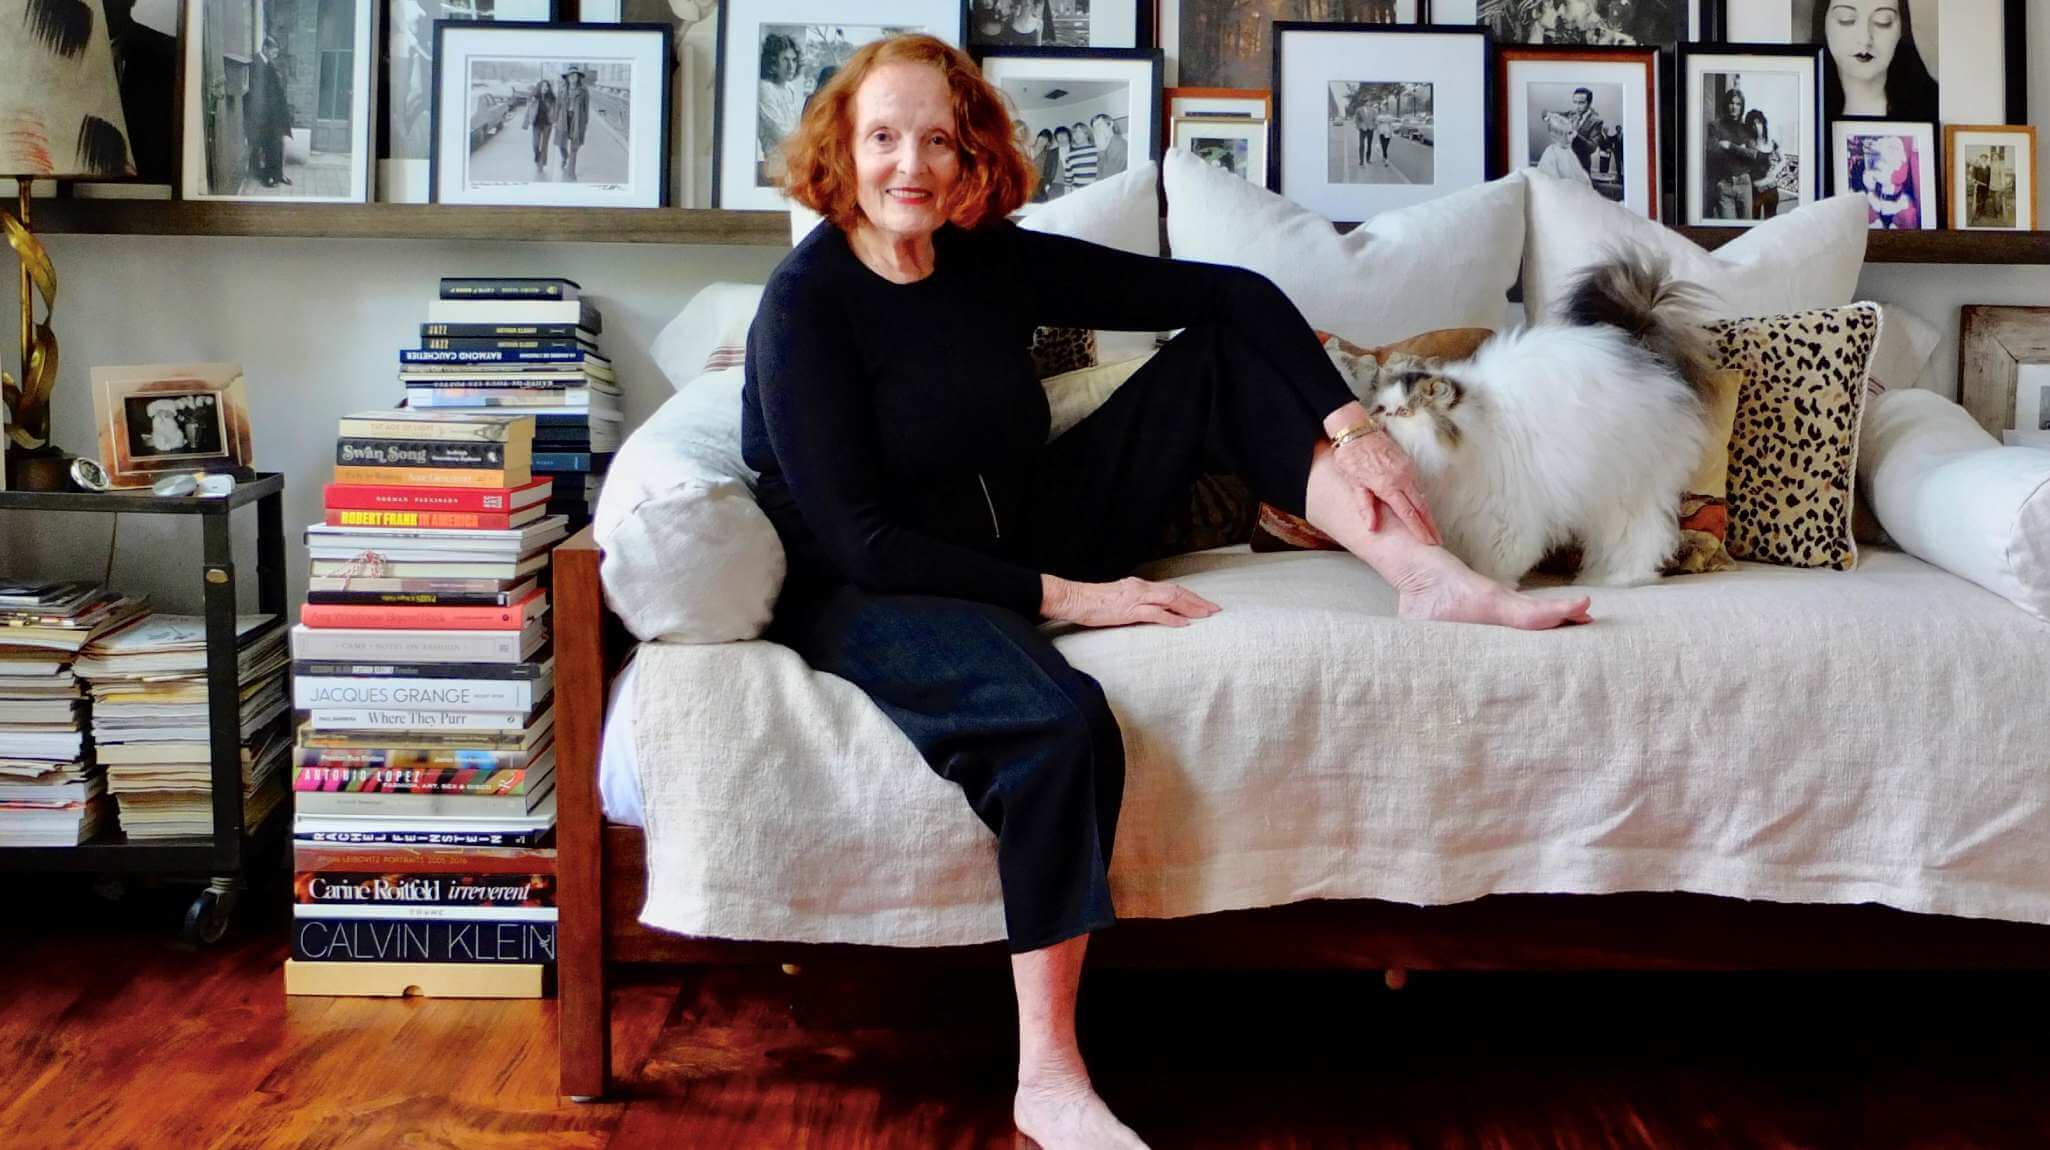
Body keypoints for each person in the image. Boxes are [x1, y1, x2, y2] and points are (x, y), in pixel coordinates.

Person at [746, 32, 1590, 1150]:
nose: (911, 164)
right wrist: (1074, 597)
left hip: (1020, 518)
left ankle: (1426, 578)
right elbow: (858, 537)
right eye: (884, 137)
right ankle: (1046, 1076)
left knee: (1211, 360)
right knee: (1056, 726)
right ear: (841, 153)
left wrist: (1351, 424)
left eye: (936, 139)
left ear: (968, 156)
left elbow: (1234, 294)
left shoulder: (984, 257)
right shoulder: (807, 305)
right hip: (880, 581)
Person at [1816, 0, 1936, 122]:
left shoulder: (1935, 107)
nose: (1865, 39)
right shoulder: (1803, 104)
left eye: (1883, 21)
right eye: (1846, 19)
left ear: (1902, 30)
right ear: (1823, 23)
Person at [1705, 85, 1767, 220]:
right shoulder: (1715, 126)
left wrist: (1730, 146)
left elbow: (1754, 155)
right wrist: (1742, 150)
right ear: (1726, 104)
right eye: (1731, 103)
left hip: (1745, 185)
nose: (1734, 107)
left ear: (1742, 107)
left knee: (1746, 230)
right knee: (1728, 231)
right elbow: (1712, 151)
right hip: (1724, 184)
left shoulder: (1746, 128)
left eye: (1738, 104)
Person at [245, 35, 292, 188]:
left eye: (276, 52)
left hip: (274, 115)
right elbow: (255, 94)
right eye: (273, 51)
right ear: (264, 48)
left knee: (278, 144)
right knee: (267, 146)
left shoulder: (268, 63)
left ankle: (279, 174)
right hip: (262, 116)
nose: (275, 54)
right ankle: (268, 177)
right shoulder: (256, 63)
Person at [757, 33, 804, 182]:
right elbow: (781, 133)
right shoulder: (764, 88)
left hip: (795, 166)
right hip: (776, 170)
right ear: (772, 62)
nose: (791, 65)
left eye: (794, 60)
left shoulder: (789, 88)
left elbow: (797, 127)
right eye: (785, 59)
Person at [1745, 108, 1790, 219]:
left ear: (1763, 123)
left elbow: (1783, 159)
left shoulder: (1771, 142)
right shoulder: (1747, 143)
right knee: (1753, 224)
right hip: (1755, 191)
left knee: (1770, 223)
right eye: (1752, 124)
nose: (1756, 126)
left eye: (1758, 123)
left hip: (1771, 189)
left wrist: (1774, 172)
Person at [1534, 111, 1593, 186]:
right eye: (1561, 134)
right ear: (1553, 136)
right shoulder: (1551, 153)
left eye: (1569, 133)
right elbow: (1551, 182)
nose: (1568, 139)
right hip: (1562, 192)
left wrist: (1586, 181)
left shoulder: (1569, 152)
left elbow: (1580, 173)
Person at [557, 66, 591, 181]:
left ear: (578, 77)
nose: (573, 77)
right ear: (567, 77)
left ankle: (571, 171)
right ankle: (564, 157)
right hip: (563, 118)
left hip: (577, 120)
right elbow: (558, 105)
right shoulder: (561, 89)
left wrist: (585, 123)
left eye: (575, 75)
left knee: (574, 146)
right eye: (570, 75)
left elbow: (586, 108)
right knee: (561, 144)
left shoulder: (583, 91)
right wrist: (555, 120)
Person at [523, 79, 558, 172]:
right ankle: (537, 156)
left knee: (544, 145)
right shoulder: (534, 98)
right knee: (535, 144)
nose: (545, 88)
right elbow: (528, 110)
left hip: (547, 124)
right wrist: (525, 123)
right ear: (539, 87)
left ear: (549, 88)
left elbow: (555, 111)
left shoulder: (552, 99)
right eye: (543, 86)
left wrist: (555, 122)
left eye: (546, 86)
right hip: (536, 124)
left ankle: (541, 164)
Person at [1064, 119, 1098, 188]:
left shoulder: (1097, 150)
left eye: (1080, 132)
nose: (1077, 135)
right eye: (1074, 132)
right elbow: (1068, 180)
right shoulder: (1069, 155)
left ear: (1086, 134)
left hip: (1096, 190)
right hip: (1078, 192)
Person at [1091, 113, 1126, 179]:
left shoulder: (1117, 145)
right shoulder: (1107, 146)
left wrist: (1101, 150)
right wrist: (1101, 150)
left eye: (1099, 125)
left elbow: (1107, 178)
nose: (1096, 131)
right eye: (1094, 128)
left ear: (1110, 124)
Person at [1352, 96, 1375, 166]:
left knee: (1369, 145)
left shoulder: (1373, 110)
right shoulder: (1359, 110)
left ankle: (1368, 159)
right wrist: (1360, 127)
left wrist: (1373, 126)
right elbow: (1356, 120)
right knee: (1361, 145)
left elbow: (1375, 119)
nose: (1369, 103)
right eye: (1367, 101)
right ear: (1365, 102)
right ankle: (1361, 161)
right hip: (1363, 130)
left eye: (1369, 102)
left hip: (1370, 130)